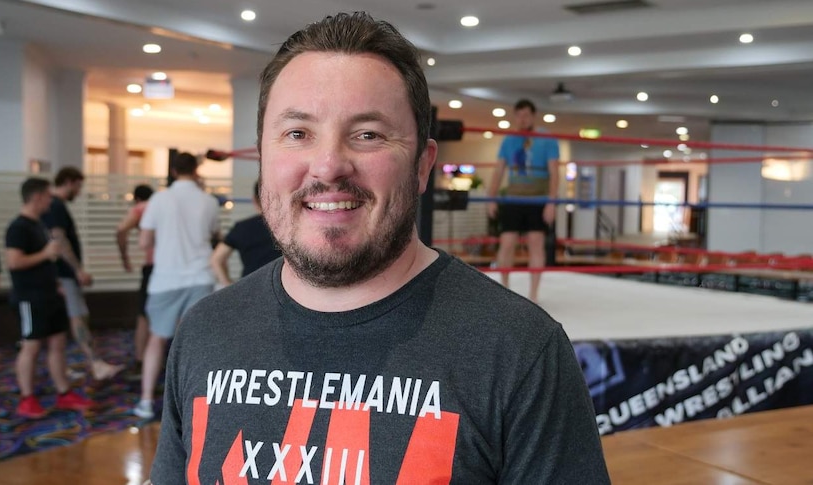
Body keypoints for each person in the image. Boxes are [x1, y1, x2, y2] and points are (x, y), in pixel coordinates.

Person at [149, 12, 608, 484]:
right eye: (297, 134)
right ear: (263, 157)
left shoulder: (519, 351)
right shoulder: (205, 330)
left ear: (423, 165)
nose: (328, 166)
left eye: (367, 134)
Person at [134, 153, 220, 419]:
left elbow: (144, 243)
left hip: (166, 279)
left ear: (172, 170)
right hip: (200, 277)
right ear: (195, 170)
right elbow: (215, 237)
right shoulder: (208, 201)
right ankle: (194, 403)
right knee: (195, 343)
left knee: (157, 339)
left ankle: (146, 401)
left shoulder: (159, 200)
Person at [5, 177, 94, 419]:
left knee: (58, 344)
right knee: (31, 346)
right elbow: (14, 262)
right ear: (36, 198)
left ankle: (64, 392)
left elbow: (45, 261)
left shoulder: (39, 225)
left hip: (49, 294)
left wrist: (56, 284)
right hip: (29, 297)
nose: (50, 200)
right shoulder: (18, 227)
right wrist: (45, 254)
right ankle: (27, 397)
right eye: (47, 196)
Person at [42, 166, 124, 381]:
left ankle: (62, 367)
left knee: (63, 321)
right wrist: (77, 270)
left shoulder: (50, 205)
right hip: (63, 273)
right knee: (78, 317)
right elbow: (59, 238)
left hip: (56, 274)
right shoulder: (56, 206)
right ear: (68, 182)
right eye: (78, 186)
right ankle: (95, 363)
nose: (78, 193)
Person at [486, 99, 560, 301]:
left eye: (526, 115)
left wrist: (551, 203)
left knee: (536, 243)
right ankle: (504, 290)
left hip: (538, 199)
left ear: (533, 115)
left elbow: (554, 172)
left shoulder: (547, 139)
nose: (522, 119)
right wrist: (491, 198)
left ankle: (534, 295)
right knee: (507, 243)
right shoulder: (509, 140)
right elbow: (499, 169)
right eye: (519, 115)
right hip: (513, 199)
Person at [115, 184, 155, 375]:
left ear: (136, 198)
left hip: (154, 267)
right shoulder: (162, 205)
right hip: (178, 269)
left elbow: (121, 229)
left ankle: (140, 360)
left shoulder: (142, 208)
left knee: (144, 315)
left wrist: (125, 257)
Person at [210, 180, 280, 287]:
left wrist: (228, 285)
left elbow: (217, 259)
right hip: (282, 289)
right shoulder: (288, 227)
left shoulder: (242, 227)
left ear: (254, 200)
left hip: (249, 287)